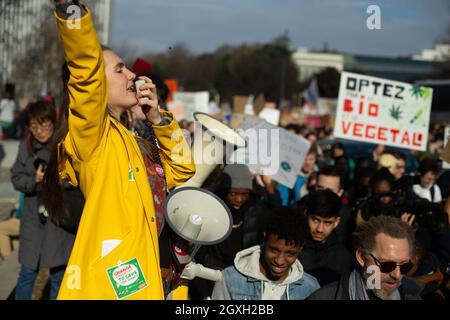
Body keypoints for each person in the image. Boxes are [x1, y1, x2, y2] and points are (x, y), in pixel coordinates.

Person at [46, 1, 194, 299]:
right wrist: (71, 12)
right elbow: (85, 73)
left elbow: (181, 170)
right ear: (97, 85)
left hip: (154, 275)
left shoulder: (130, 137)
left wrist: (157, 117)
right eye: (119, 69)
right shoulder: (92, 138)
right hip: (116, 286)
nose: (131, 75)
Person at [11, 101, 75, 300]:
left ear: (52, 123)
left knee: (58, 276)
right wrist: (34, 180)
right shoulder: (26, 147)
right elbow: (16, 178)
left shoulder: (64, 145)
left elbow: (75, 180)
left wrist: (53, 179)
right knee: (27, 274)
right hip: (33, 221)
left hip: (58, 221)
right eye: (34, 126)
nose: (39, 131)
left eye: (44, 125)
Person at [189, 164, 268, 299]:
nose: (239, 199)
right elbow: (200, 255)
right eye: (233, 193)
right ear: (224, 190)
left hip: (244, 282)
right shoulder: (210, 210)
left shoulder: (257, 213)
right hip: (212, 279)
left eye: (244, 194)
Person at [211, 207, 320, 300]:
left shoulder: (311, 288)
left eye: (290, 253)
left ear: (300, 249)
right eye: (274, 250)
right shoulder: (230, 278)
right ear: (265, 239)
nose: (279, 261)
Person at [308, 215, 423, 300]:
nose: (396, 275)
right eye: (387, 265)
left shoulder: (413, 295)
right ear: (362, 257)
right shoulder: (323, 297)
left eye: (404, 266)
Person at [298, 190, 352, 286]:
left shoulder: (343, 257)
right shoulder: (293, 248)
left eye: (327, 222)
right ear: (306, 214)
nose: (320, 229)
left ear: (336, 222)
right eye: (315, 220)